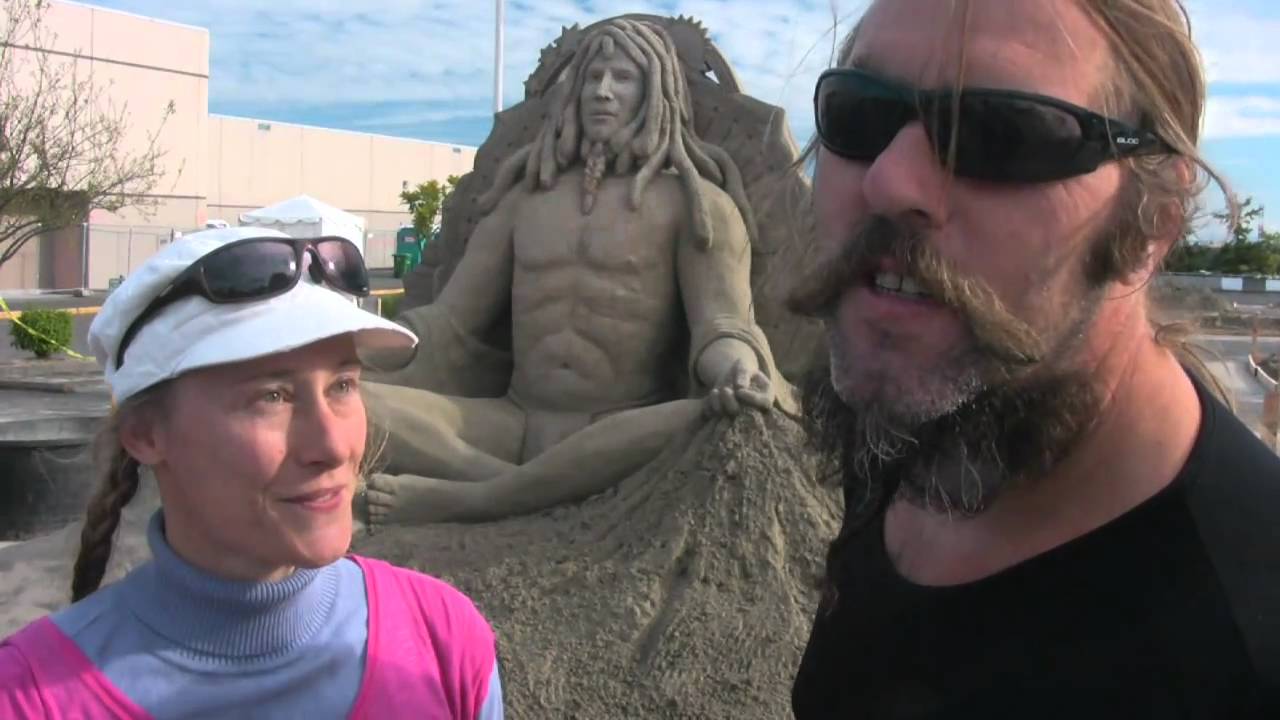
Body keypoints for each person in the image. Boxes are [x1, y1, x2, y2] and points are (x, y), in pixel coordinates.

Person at [785, 0, 1280, 717]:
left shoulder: (1249, 644)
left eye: (999, 133)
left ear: (1154, 220)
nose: (889, 181)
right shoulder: (917, 422)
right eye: (860, 114)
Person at [0, 227, 505, 719]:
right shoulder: (30, 696)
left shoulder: (443, 639)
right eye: (273, 397)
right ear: (147, 435)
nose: (331, 447)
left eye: (343, 386)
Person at [361, 18, 789, 526]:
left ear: (658, 93)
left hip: (624, 429)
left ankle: (479, 498)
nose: (603, 92)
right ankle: (518, 487)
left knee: (711, 418)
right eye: (593, 77)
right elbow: (450, 322)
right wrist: (363, 345)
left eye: (623, 78)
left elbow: (722, 325)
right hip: (514, 422)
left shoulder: (697, 204)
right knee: (346, 401)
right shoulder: (524, 198)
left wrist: (735, 370)